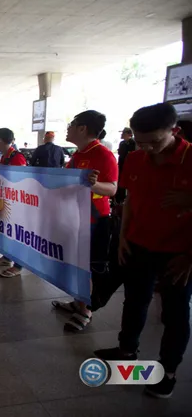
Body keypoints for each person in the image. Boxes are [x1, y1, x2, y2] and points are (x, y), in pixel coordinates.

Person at [94, 103, 191, 398]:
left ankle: (168, 372)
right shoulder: (135, 158)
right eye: (140, 141)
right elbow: (133, 199)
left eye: (155, 141)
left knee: (175, 314)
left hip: (179, 252)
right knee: (135, 301)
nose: (147, 148)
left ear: (175, 131)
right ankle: (127, 351)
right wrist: (123, 238)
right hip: (137, 243)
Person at [50, 110, 118, 332]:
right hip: (74, 217)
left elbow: (112, 189)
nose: (67, 128)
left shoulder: (104, 155)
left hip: (94, 221)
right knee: (73, 262)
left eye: (71, 124)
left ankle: (86, 310)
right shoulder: (78, 155)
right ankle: (78, 301)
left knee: (87, 266)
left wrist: (95, 185)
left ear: (82, 128)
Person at [0, 128, 28, 277]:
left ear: (0, 140)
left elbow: (19, 181)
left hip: (15, 203)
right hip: (5, 201)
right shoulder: (4, 157)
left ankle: (18, 266)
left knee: (16, 233)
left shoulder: (17, 157)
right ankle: (7, 257)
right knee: (7, 232)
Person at [114, 127, 137, 204]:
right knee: (120, 182)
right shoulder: (122, 143)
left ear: (129, 134)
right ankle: (119, 200)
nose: (122, 134)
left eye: (124, 133)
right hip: (121, 165)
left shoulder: (133, 143)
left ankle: (126, 200)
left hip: (130, 167)